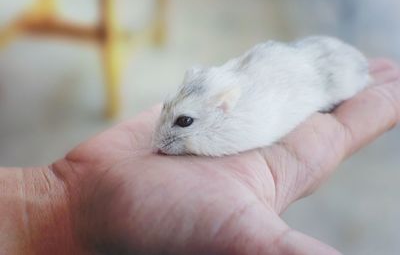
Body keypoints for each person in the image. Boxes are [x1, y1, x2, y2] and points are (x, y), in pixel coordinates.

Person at [0, 59, 399, 255]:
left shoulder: (245, 111)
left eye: (184, 123)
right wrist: (62, 202)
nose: (162, 141)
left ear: (225, 106)